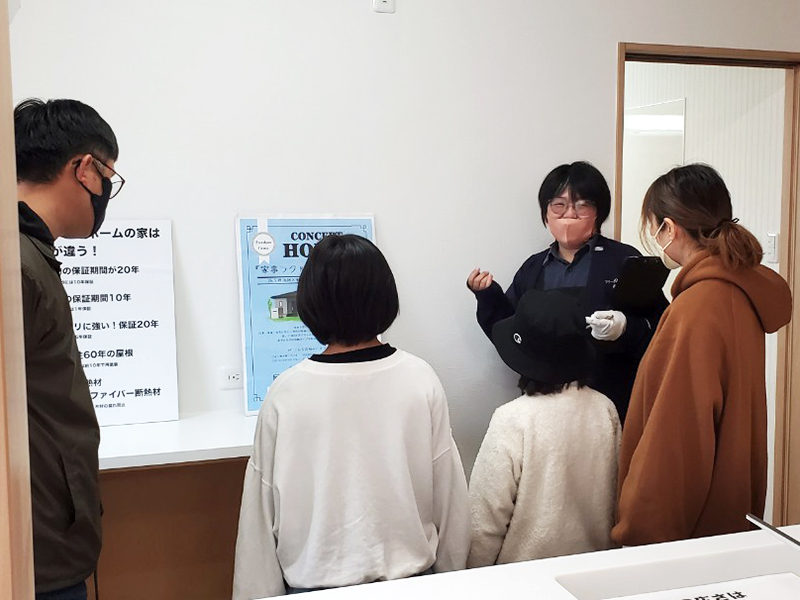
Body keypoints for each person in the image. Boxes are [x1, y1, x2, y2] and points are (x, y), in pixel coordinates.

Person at [232, 234, 470, 599]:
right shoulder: (419, 378)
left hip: (312, 587)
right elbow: (449, 497)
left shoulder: (287, 392)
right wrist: (455, 582)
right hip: (413, 584)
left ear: (310, 302)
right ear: (385, 296)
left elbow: (259, 521)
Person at [612, 164, 792, 546]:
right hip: (726, 518)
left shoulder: (696, 308)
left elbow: (676, 435)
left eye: (654, 227)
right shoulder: (738, 293)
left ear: (669, 228)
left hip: (684, 537)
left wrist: (641, 532)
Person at [16, 98, 123, 599]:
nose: (106, 195)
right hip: (34, 557)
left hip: (45, 540)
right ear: (83, 169)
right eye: (108, 178)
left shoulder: (30, 255)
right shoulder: (18, 265)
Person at [467, 162, 666, 423]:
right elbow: (511, 331)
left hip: (611, 400)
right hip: (543, 402)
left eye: (582, 205)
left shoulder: (625, 260)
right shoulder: (533, 268)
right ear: (546, 213)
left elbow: (661, 328)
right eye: (559, 205)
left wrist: (625, 328)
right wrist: (488, 296)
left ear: (598, 212)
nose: (569, 214)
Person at [467, 289, 621, 567]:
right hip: (594, 567)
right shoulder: (605, 409)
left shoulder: (513, 419)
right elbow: (616, 493)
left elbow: (485, 520)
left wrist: (472, 575)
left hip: (524, 576)